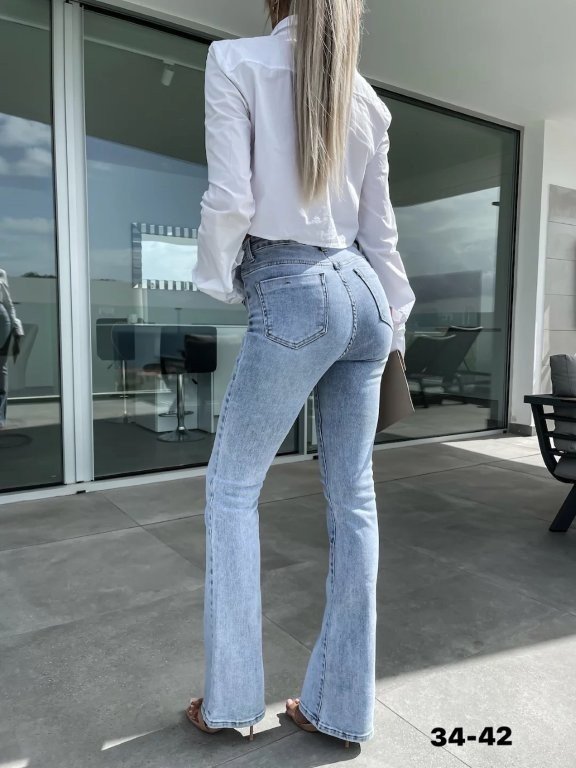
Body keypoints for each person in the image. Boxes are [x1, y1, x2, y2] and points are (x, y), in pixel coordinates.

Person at [187, 0, 416, 748]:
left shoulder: (236, 61)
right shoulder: (370, 101)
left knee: (232, 489)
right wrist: (396, 325)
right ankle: (338, 710)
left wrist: (223, 280)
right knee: (354, 500)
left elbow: (231, 199)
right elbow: (382, 234)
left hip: (290, 287)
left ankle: (231, 702)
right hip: (367, 298)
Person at [0, 268, 24, 429]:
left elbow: (8, 303)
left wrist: (16, 326)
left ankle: (0, 416)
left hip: (1, 319)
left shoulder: (1, 273)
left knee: (1, 368)